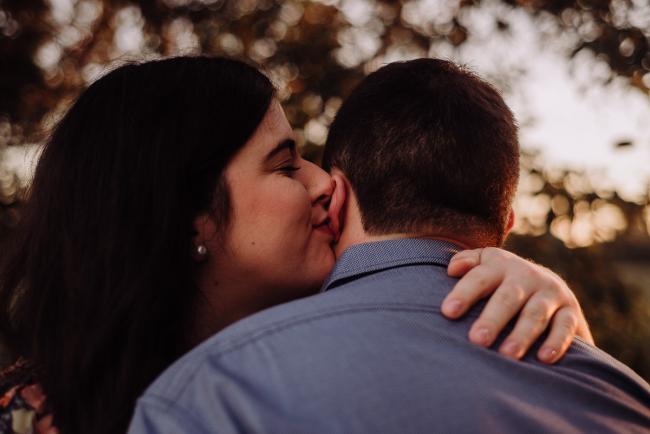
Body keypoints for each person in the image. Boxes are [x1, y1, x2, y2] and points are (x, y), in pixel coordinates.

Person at [0, 56, 590, 434]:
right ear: (189, 219)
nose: (327, 182)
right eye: (286, 165)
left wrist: (537, 303)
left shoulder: (321, 373)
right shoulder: (29, 417)